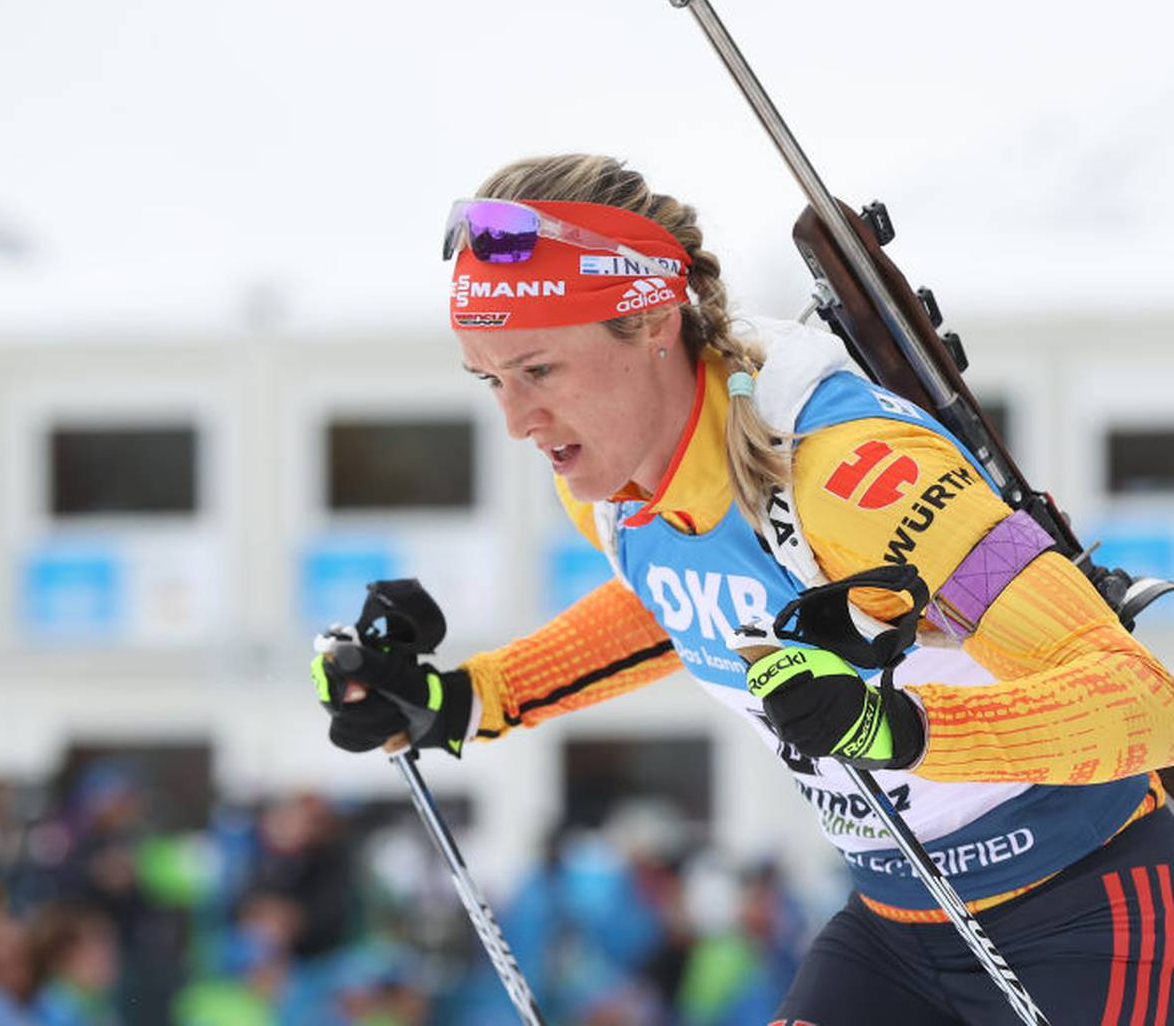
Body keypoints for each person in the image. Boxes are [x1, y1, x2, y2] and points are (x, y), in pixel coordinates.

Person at [316, 154, 1174, 1025]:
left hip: (1088, 909)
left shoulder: (856, 476)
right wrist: (466, 698)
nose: (517, 421)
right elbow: (687, 603)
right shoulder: (612, 493)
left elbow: (1146, 703)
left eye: (539, 371)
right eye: (490, 379)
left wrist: (899, 728)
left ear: (650, 320)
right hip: (897, 922)